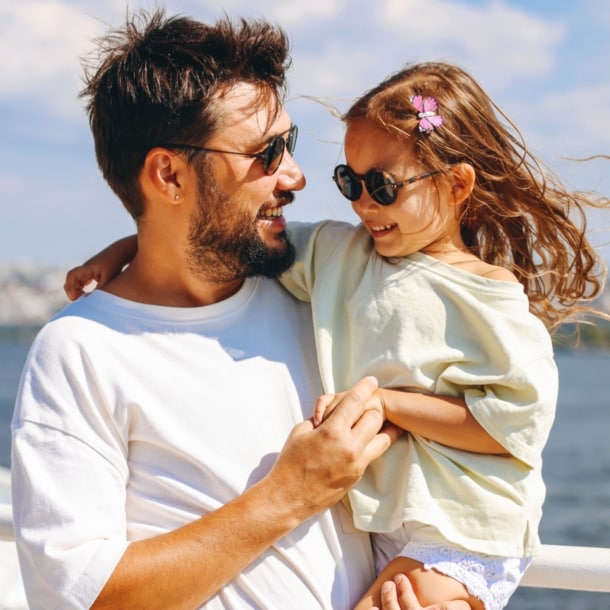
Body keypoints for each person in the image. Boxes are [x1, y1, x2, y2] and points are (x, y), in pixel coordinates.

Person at [66, 61, 610, 610]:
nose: (362, 204)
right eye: (350, 181)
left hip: (463, 526)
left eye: (382, 186)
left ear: (457, 183)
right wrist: (122, 252)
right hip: (387, 520)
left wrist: (386, 404)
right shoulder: (338, 255)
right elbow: (224, 238)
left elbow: (508, 430)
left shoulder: (490, 298)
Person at [12, 10, 474, 610]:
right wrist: (287, 494)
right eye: (266, 152)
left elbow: (466, 461)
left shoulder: (326, 292)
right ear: (168, 175)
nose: (297, 176)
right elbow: (78, 596)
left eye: (291, 143)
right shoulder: (81, 350)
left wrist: (459, 593)